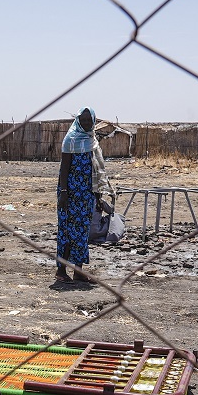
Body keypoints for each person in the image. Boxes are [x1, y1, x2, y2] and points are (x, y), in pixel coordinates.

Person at [55, 107, 116, 283]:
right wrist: (64, 193)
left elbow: (96, 171)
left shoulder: (92, 141)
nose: (87, 123)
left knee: (81, 232)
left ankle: (78, 271)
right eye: (84, 120)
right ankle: (61, 271)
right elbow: (64, 170)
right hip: (70, 194)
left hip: (87, 194)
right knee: (67, 230)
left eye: (90, 120)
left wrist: (97, 196)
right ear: (78, 121)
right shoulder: (70, 140)